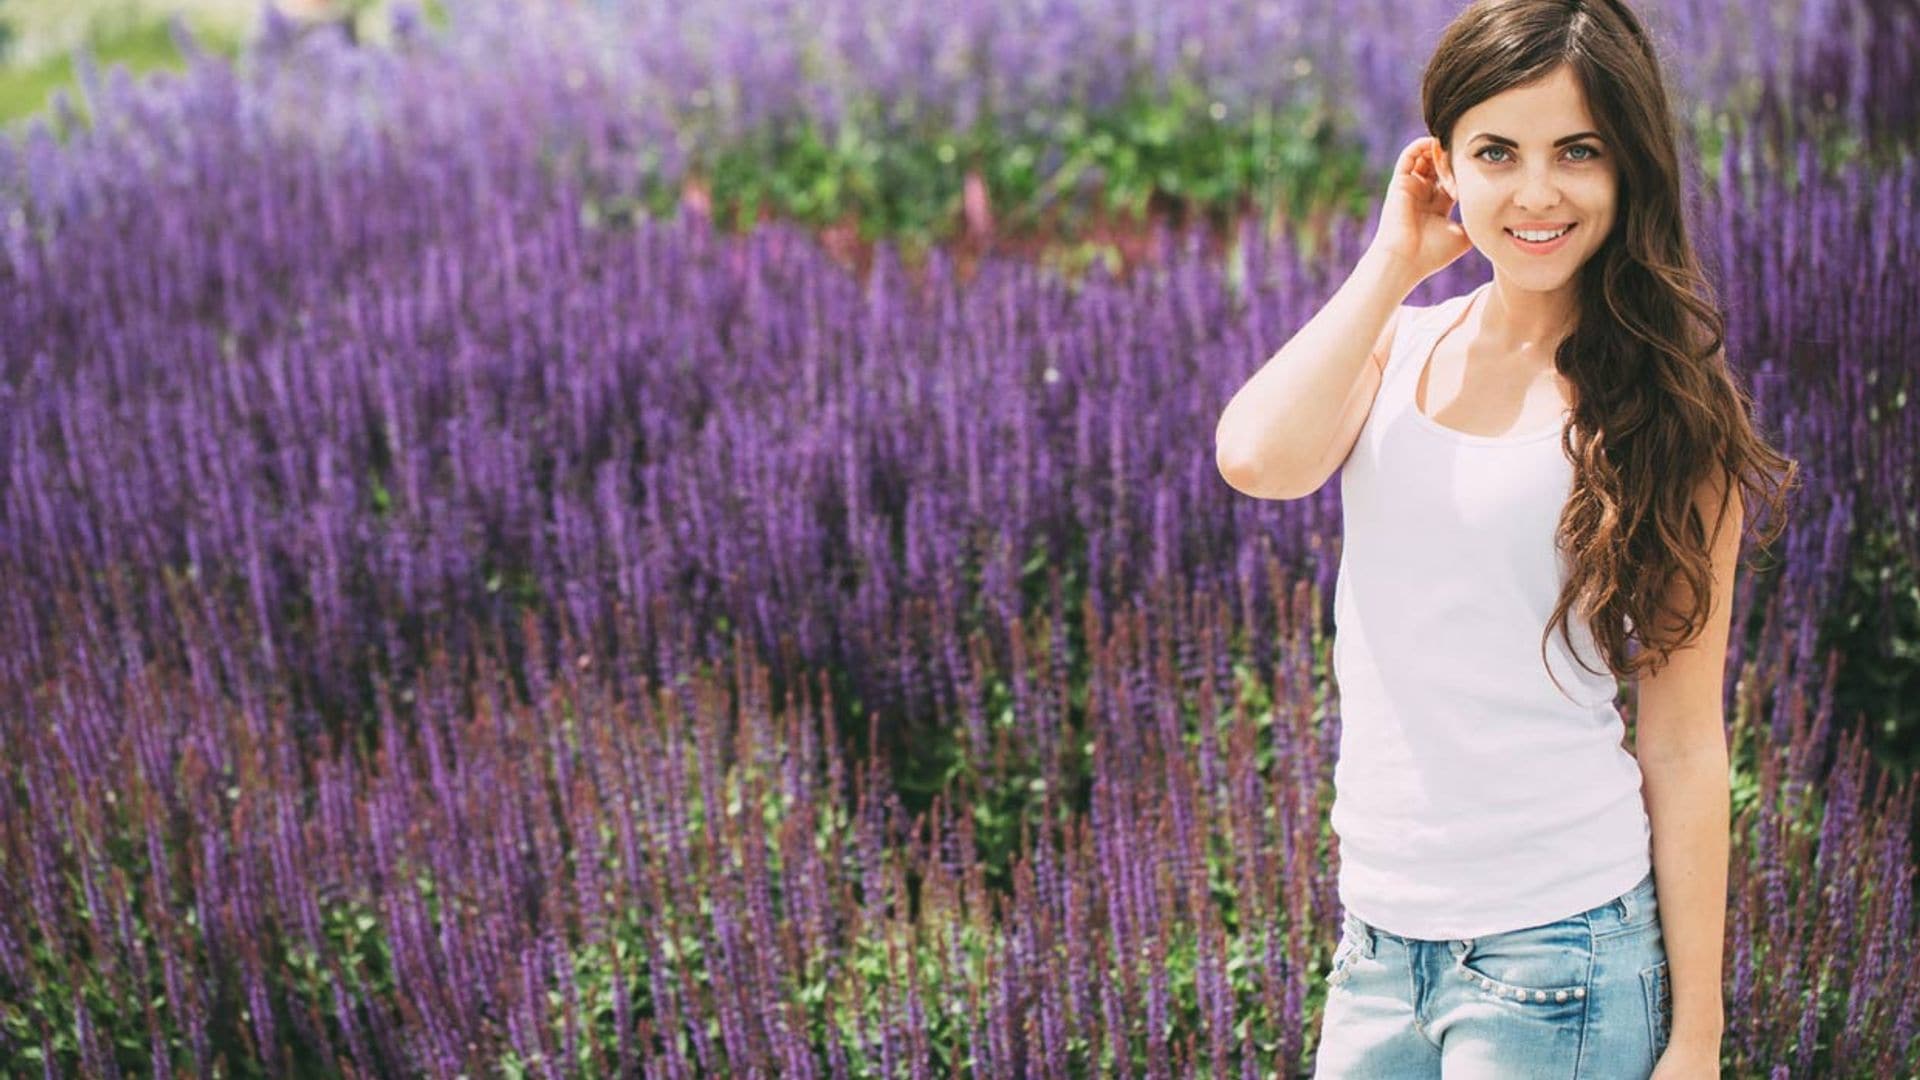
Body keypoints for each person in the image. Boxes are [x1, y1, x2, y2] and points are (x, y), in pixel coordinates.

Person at [1213, 0, 1798, 1076]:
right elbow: (1255, 459)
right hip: (1379, 946)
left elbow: (1681, 741)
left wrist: (1700, 1036)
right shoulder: (1401, 344)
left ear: (1629, 171)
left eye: (1579, 152)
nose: (1536, 193)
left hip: (1559, 950)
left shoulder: (1667, 411)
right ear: (1444, 165)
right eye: (1498, 152)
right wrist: (1396, 258)